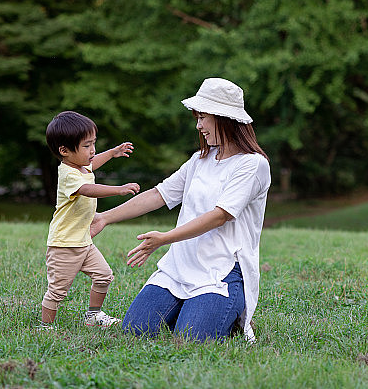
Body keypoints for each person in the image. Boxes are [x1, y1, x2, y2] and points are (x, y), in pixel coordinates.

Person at [91, 78, 271, 342]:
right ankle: (192, 308)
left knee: (192, 337)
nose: (198, 125)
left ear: (224, 118)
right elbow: (158, 194)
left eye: (203, 117)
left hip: (221, 269)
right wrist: (104, 217)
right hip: (181, 264)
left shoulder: (253, 165)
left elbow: (221, 215)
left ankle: (226, 310)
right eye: (197, 117)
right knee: (135, 328)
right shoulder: (200, 160)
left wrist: (164, 238)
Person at [38, 110, 141, 330]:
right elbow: (88, 189)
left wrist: (112, 152)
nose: (92, 150)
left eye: (93, 143)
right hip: (64, 244)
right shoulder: (68, 174)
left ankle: (93, 316)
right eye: (86, 146)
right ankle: (45, 327)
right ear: (64, 151)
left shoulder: (82, 166)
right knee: (58, 290)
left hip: (83, 242)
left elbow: (93, 162)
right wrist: (119, 190)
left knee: (104, 276)